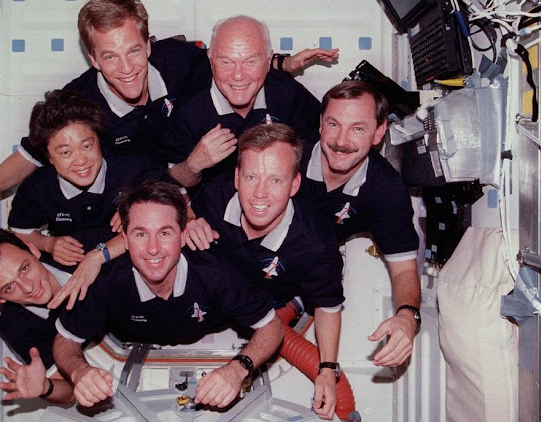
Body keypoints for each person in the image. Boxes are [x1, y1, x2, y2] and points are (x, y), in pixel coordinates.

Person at [0, 0, 337, 223]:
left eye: (134, 51)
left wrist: (282, 63)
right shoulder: (79, 100)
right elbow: (33, 153)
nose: (126, 68)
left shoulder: (177, 59)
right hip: (139, 189)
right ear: (93, 59)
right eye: (110, 56)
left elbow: (232, 64)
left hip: (192, 175)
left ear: (148, 45)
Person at [53, 180, 284, 408]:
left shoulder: (214, 272)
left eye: (164, 233)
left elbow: (272, 326)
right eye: (141, 234)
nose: (153, 249)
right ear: (125, 240)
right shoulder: (109, 281)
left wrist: (237, 369)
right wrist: (79, 371)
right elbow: (65, 340)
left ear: (183, 236)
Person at [185, 123, 344, 420]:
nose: (260, 193)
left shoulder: (315, 244)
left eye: (275, 180)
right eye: (251, 177)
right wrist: (190, 220)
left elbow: (327, 306)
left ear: (294, 184)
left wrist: (326, 369)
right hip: (219, 296)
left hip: (271, 305)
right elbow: (184, 205)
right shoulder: (217, 195)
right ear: (236, 178)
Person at [297, 80, 421, 367]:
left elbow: (404, 269)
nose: (341, 140)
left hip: (309, 270)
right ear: (320, 124)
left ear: (378, 133)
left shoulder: (386, 189)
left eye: (358, 128)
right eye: (334, 124)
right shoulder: (289, 157)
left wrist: (407, 315)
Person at [8, 89, 167, 268]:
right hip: (72, 271)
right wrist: (48, 244)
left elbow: (178, 205)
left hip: (134, 264)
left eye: (86, 146)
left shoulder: (134, 166)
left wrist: (140, 210)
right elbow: (20, 231)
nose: (81, 161)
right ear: (49, 157)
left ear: (99, 140)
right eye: (65, 152)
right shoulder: (38, 188)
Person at [161, 15, 325, 187]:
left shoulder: (287, 93)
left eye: (250, 61)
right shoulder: (189, 108)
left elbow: (324, 146)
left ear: (269, 60)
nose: (238, 75)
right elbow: (171, 183)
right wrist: (193, 165)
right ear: (210, 60)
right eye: (226, 62)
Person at [0, 228, 77, 404]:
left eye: (24, 268)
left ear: (33, 250)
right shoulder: (16, 327)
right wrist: (46, 387)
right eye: (9, 288)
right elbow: (70, 392)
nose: (28, 287)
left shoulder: (71, 249)